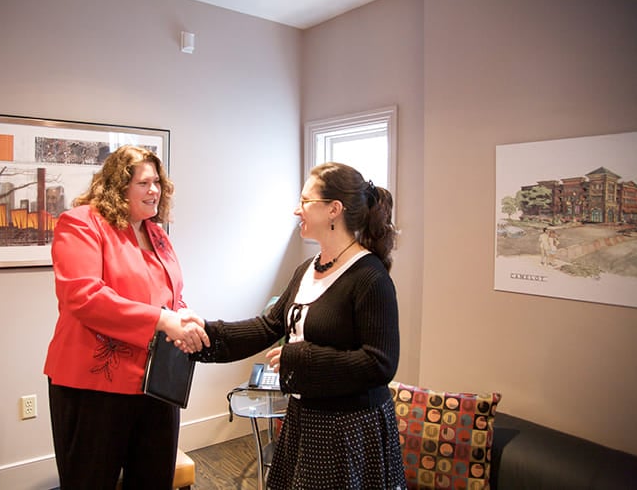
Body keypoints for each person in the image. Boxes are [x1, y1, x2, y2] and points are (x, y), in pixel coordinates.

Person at [185, 162, 406, 489]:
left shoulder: (370, 277)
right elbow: (267, 326)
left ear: (334, 209)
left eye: (305, 201)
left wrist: (301, 359)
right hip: (307, 418)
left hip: (348, 430)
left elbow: (380, 364)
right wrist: (204, 333)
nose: (296, 210)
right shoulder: (308, 269)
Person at [43, 145, 209, 490]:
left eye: (157, 183)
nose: (154, 191)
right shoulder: (82, 223)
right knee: (90, 481)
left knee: (153, 479)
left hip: (155, 381)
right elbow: (84, 296)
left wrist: (181, 312)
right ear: (119, 187)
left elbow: (166, 293)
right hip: (93, 386)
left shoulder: (155, 232)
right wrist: (163, 320)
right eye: (144, 183)